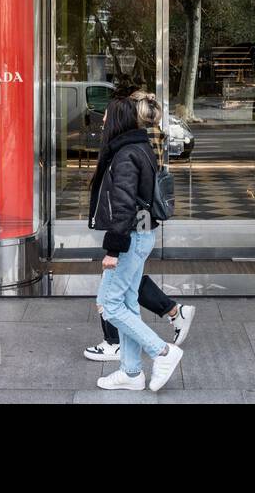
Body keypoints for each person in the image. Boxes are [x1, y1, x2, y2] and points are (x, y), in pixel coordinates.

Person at [83, 89, 196, 361]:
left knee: (109, 304)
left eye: (107, 115)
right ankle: (130, 371)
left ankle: (162, 351)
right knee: (127, 302)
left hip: (131, 236)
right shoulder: (138, 148)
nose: (102, 119)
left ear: (118, 120)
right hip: (140, 234)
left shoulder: (125, 155)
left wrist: (112, 250)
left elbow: (123, 205)